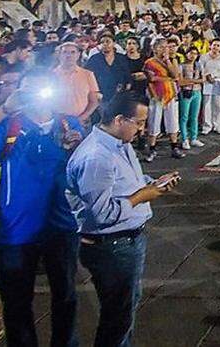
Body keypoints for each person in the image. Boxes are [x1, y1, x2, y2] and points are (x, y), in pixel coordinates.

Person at [0, 70, 85, 347]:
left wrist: (75, 147)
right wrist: (4, 110)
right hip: (16, 228)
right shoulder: (9, 126)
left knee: (65, 294)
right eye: (27, 90)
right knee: (16, 299)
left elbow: (85, 170)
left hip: (61, 224)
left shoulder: (69, 124)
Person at [66, 93, 179, 347]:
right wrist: (143, 195)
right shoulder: (97, 157)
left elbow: (125, 183)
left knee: (123, 310)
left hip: (125, 242)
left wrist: (151, 184)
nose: (143, 129)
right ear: (119, 120)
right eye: (138, 123)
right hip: (111, 246)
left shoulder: (118, 143)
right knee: (117, 316)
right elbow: (101, 213)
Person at [142, 38, 185, 159]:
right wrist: (169, 79)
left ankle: (174, 146)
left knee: (172, 121)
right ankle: (152, 148)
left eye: (166, 47)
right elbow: (152, 78)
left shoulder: (172, 60)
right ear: (154, 49)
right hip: (156, 95)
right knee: (154, 121)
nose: (164, 49)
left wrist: (167, 60)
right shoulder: (149, 62)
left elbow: (176, 75)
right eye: (161, 47)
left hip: (170, 94)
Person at [54, 42, 101, 124]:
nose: (69, 55)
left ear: (78, 55)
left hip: (82, 121)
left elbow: (94, 101)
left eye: (73, 52)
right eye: (65, 52)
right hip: (56, 121)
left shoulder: (88, 75)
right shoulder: (51, 75)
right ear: (59, 54)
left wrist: (82, 118)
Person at [85, 33, 133, 104]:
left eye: (107, 41)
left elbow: (127, 76)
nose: (105, 44)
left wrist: (126, 91)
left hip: (119, 95)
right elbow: (87, 76)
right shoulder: (94, 59)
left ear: (114, 43)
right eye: (102, 42)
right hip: (99, 96)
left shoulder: (121, 58)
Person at [199, 38, 220, 134]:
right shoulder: (204, 57)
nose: (215, 47)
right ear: (210, 46)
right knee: (207, 104)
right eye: (214, 45)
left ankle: (218, 126)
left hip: (219, 82)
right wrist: (207, 76)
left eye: (218, 45)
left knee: (219, 104)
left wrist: (214, 76)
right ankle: (207, 126)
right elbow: (201, 68)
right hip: (207, 82)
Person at [177, 47, 203, 149]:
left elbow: (203, 79)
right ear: (186, 54)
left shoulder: (198, 65)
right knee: (184, 117)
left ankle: (194, 137)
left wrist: (190, 81)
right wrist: (194, 81)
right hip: (186, 92)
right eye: (190, 53)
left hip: (197, 92)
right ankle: (184, 139)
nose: (192, 55)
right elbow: (180, 81)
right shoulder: (181, 66)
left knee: (194, 117)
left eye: (195, 54)